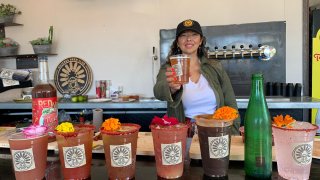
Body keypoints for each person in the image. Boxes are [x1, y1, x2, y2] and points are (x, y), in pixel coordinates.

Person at [153, 19, 240, 135]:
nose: (189, 39)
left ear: (201, 41)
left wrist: (233, 132)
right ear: (178, 42)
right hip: (184, 133)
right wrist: (171, 88)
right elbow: (158, 90)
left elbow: (231, 102)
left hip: (216, 130)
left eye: (194, 35)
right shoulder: (170, 67)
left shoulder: (215, 66)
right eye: (183, 35)